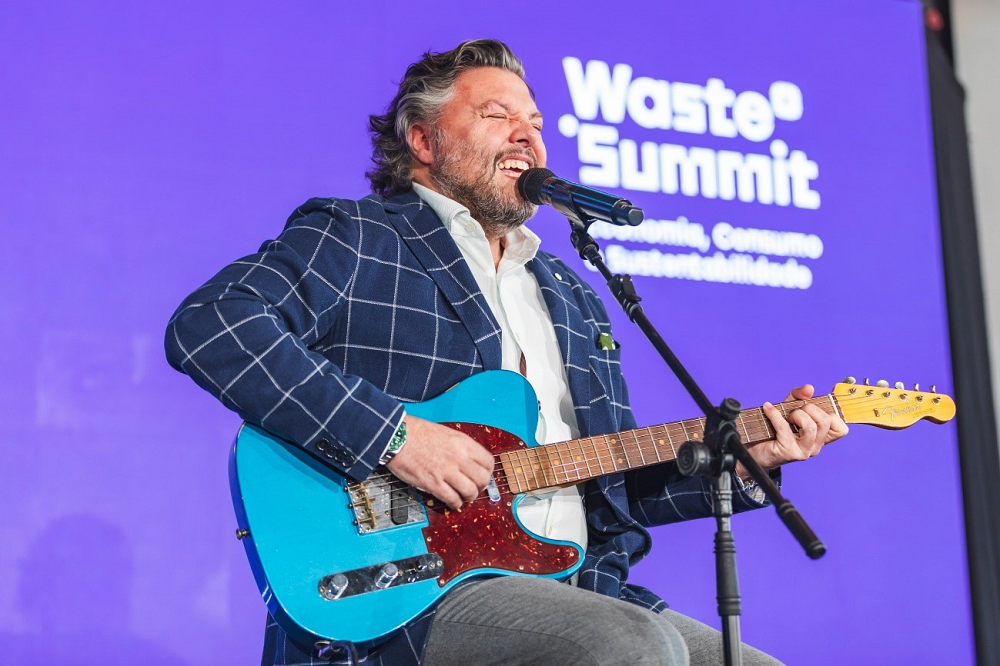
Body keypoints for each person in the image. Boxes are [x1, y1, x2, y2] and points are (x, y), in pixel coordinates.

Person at [165, 39, 847, 666]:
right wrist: (394, 436)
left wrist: (749, 460)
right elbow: (212, 325)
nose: (528, 135)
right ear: (423, 139)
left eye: (538, 124)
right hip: (413, 588)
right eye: (498, 115)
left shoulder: (571, 296)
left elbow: (611, 488)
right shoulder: (360, 236)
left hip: (579, 582)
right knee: (630, 649)